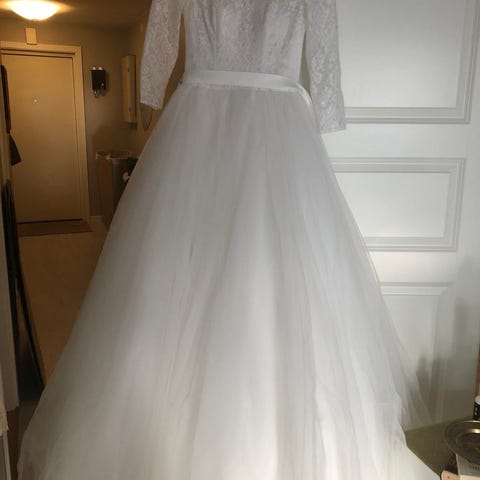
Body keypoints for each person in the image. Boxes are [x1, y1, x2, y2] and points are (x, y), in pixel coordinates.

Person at [18, 0, 429, 479]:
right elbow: (163, 38)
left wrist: (153, 92)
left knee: (231, 276)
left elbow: (163, 54)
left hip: (209, 124)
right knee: (220, 275)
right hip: (259, 126)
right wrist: (326, 105)